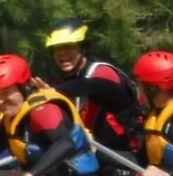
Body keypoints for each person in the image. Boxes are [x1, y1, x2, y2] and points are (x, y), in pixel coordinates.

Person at [0, 53, 100, 176]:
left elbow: (65, 143)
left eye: (5, 92)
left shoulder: (43, 111)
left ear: (24, 87)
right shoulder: (12, 117)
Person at [44, 18, 141, 156]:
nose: (62, 53)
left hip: (124, 155)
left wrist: (51, 93)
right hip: (90, 156)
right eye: (57, 48)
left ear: (83, 47)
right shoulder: (63, 82)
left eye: (68, 46)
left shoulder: (102, 71)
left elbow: (91, 85)